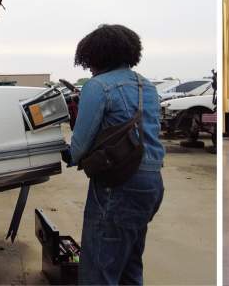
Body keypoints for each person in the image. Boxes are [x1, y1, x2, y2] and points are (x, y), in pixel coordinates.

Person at [69, 24, 165, 285]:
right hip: (152, 184)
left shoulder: (97, 86)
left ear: (96, 55)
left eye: (88, 61)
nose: (88, 67)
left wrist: (67, 154)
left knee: (100, 268)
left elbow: (79, 145)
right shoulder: (148, 86)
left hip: (119, 185)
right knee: (130, 264)